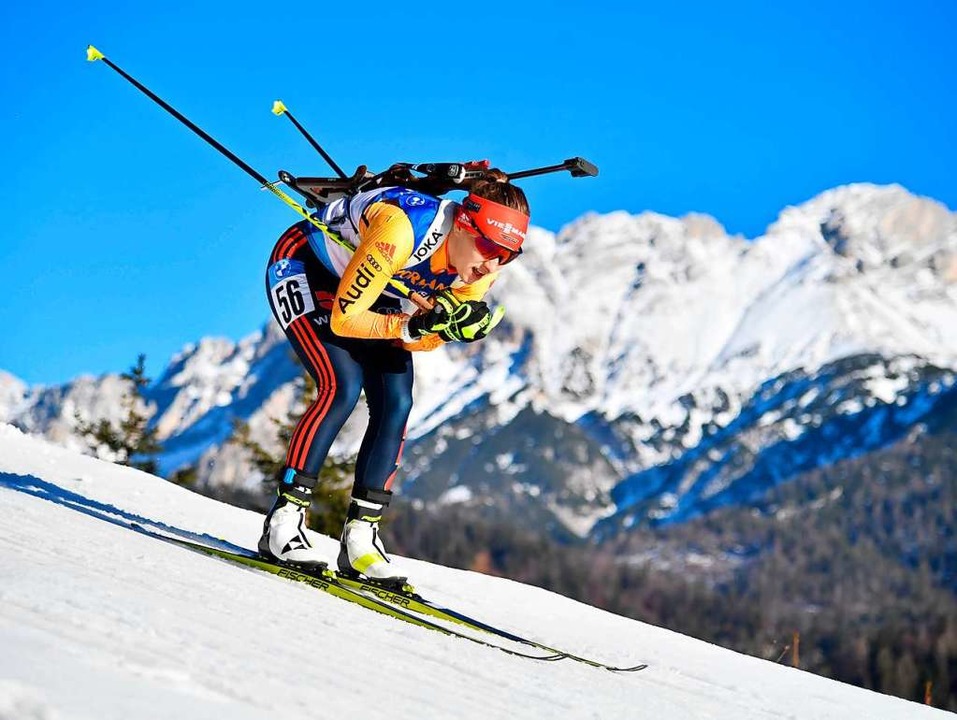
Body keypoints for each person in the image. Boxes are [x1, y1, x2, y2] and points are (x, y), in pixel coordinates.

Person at [259, 170, 530, 583]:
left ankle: (361, 537)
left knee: (397, 403)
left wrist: (441, 329)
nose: (494, 263)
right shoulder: (400, 231)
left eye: (508, 254)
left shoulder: (480, 270)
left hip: (378, 295)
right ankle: (284, 521)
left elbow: (417, 340)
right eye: (489, 246)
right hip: (306, 267)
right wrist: (413, 326)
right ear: (462, 223)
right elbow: (346, 319)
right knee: (341, 387)